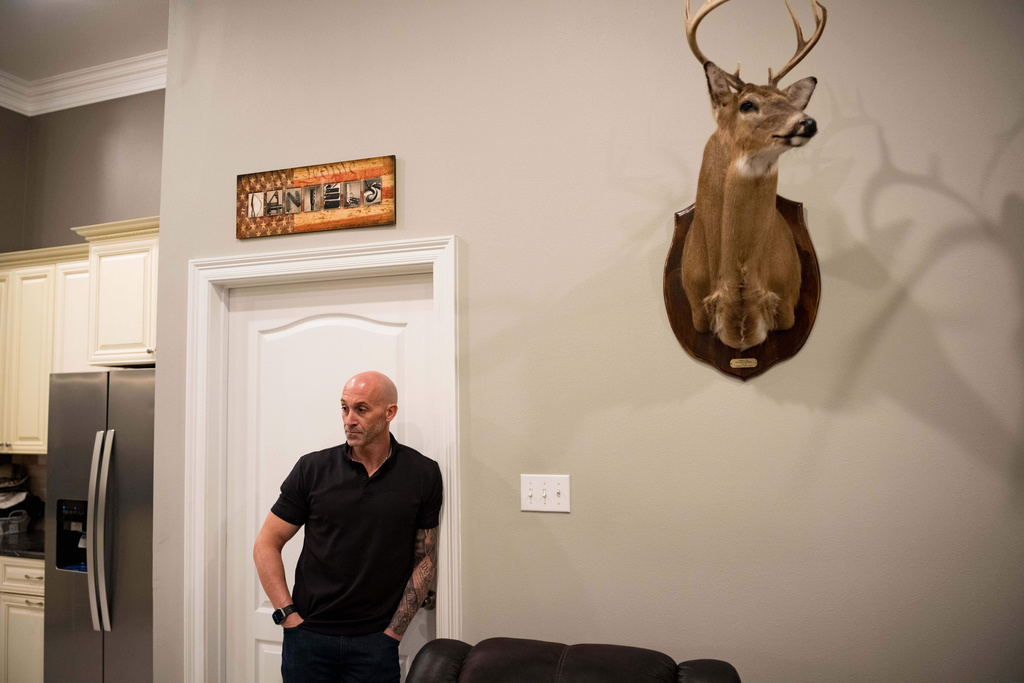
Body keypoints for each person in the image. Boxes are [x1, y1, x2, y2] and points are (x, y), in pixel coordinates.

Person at [253, 371, 442, 683]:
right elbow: (266, 543)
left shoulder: (422, 473)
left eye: (361, 409)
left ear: (390, 412)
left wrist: (394, 632)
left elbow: (424, 557)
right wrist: (287, 616)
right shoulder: (312, 469)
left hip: (375, 642)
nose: (349, 420)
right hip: (308, 638)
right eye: (344, 408)